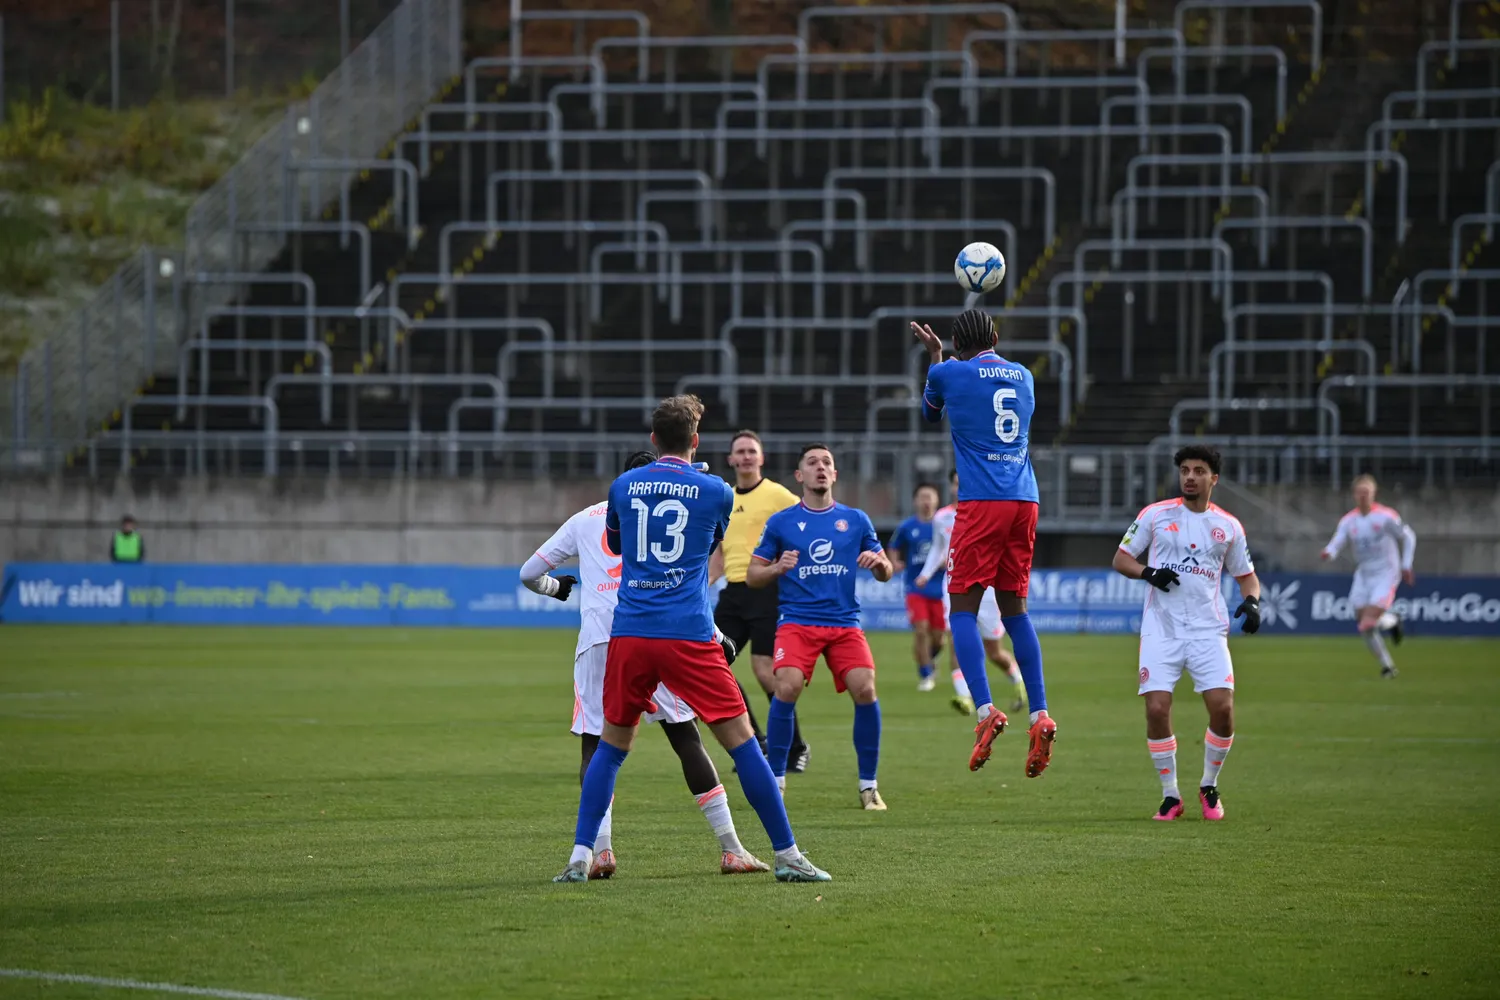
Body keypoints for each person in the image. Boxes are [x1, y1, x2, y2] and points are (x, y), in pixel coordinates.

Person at [555, 395, 830, 884]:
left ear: (653, 439)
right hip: (688, 634)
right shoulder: (717, 491)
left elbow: (617, 544)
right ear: (696, 441)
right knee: (743, 745)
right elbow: (708, 545)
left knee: (610, 748)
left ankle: (580, 858)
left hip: (631, 632)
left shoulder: (623, 486)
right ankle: (787, 854)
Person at [521, 450, 769, 879]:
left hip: (601, 640)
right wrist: (715, 635)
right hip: (657, 631)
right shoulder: (675, 509)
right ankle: (732, 849)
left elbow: (528, 572)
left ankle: (599, 852)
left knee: (596, 746)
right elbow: (685, 585)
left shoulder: (585, 518)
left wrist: (554, 588)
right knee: (686, 738)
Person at [912, 309, 1056, 776]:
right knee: (1016, 612)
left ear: (956, 344)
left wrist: (935, 359)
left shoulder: (948, 372)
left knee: (962, 611)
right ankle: (1040, 713)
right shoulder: (1024, 376)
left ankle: (985, 710)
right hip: (1025, 501)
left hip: (981, 501)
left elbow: (929, 413)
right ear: (995, 336)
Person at [1111, 444, 1262, 822]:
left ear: (1214, 479)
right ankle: (1170, 795)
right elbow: (1121, 559)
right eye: (1184, 471)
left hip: (1208, 631)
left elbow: (1247, 577)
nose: (1190, 477)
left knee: (1223, 709)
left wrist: (1252, 603)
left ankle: (1209, 785)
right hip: (1161, 630)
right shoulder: (1156, 515)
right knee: (1157, 708)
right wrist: (1149, 573)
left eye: (1198, 471)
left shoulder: (1228, 526)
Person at [747, 444, 895, 810]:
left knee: (866, 688)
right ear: (800, 475)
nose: (820, 467)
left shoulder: (856, 520)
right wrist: (777, 568)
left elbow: (887, 570)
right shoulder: (781, 522)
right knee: (787, 685)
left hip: (844, 623)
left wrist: (878, 564)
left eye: (827, 462)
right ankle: (776, 781)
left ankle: (869, 786)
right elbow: (753, 575)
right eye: (812, 463)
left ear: (834, 474)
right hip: (797, 621)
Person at [708, 430, 810, 771]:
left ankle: (796, 747)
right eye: (740, 451)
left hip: (768, 590)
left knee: (765, 671)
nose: (747, 456)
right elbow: (720, 553)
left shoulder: (778, 495)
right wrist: (701, 584)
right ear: (731, 459)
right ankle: (757, 741)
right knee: (712, 662)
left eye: (752, 451)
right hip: (733, 594)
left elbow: (807, 525)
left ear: (762, 458)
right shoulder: (724, 498)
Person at [915, 469, 1025, 716]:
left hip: (987, 590)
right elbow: (938, 549)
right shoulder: (942, 517)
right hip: (954, 585)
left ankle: (1018, 682)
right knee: (957, 640)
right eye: (955, 483)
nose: (959, 487)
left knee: (994, 652)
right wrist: (926, 573)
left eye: (963, 482)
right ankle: (964, 696)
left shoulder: (988, 513)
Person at [1319, 474, 1416, 678]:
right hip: (1363, 574)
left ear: (1374, 493)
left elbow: (1408, 536)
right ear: (1354, 494)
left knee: (1368, 622)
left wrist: (1406, 565)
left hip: (1386, 573)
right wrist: (1329, 553)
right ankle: (1388, 665)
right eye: (1360, 492)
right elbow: (1338, 541)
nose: (1363, 496)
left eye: (1367, 492)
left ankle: (1393, 622)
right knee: (1364, 624)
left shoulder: (1386, 516)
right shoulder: (1349, 520)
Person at [886, 482, 947, 693]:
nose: (926, 501)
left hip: (941, 589)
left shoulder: (944, 523)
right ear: (915, 501)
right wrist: (894, 562)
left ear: (937, 500)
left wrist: (948, 560)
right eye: (922, 497)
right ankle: (926, 674)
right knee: (921, 631)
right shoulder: (907, 526)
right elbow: (893, 546)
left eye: (930, 496)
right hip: (916, 588)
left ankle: (929, 658)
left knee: (939, 638)